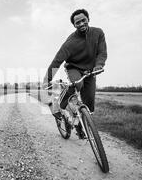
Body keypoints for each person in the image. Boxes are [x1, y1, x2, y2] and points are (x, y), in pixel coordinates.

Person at [43, 9, 107, 137]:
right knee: (78, 84)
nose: (82, 24)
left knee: (89, 106)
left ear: (88, 19)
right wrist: (47, 80)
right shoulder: (70, 42)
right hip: (74, 68)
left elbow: (102, 52)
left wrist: (99, 65)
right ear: (74, 25)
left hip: (91, 70)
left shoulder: (98, 33)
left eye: (84, 20)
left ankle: (79, 126)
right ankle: (59, 103)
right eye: (78, 22)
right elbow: (57, 61)